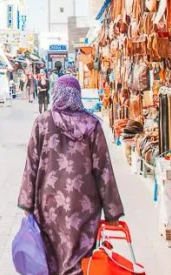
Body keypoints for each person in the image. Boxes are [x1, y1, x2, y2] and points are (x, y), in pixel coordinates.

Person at [18, 75, 124, 275]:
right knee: (79, 262)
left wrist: (27, 203)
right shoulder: (92, 125)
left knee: (51, 259)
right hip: (83, 206)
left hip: (48, 205)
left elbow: (31, 165)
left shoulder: (42, 122)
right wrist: (112, 212)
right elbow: (104, 170)